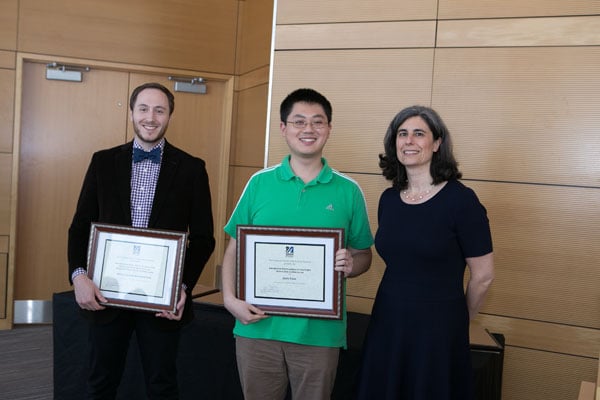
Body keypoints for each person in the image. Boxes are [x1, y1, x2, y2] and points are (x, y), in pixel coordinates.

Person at [221, 88, 373, 400]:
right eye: (299, 121)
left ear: (329, 129)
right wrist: (229, 299)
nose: (308, 130)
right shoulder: (259, 183)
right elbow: (235, 248)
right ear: (283, 128)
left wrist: (351, 264)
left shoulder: (348, 191)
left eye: (318, 122)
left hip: (319, 334)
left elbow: (364, 255)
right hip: (257, 327)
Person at [67, 82, 215, 399]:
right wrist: (79, 276)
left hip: (162, 301)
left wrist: (183, 287)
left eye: (159, 110)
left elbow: (203, 239)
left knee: (162, 386)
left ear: (170, 116)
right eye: (144, 109)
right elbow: (80, 227)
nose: (151, 117)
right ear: (132, 112)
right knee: (100, 383)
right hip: (106, 294)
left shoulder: (192, 169)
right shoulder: (103, 162)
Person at [355, 105, 494, 400]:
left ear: (437, 143)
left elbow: (483, 277)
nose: (409, 141)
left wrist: (460, 319)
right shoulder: (389, 199)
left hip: (439, 329)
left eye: (419, 134)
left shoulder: (462, 201)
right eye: (402, 134)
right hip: (388, 321)